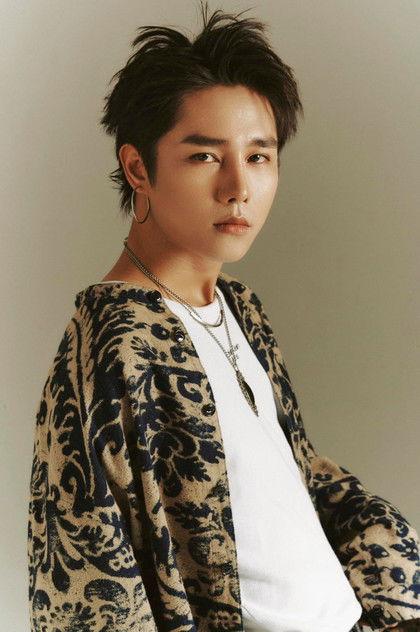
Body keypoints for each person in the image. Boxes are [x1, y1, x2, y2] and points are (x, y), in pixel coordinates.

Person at [27, 2, 420, 631]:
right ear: (138, 168)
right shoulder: (112, 346)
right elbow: (85, 586)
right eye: (205, 156)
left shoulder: (238, 308)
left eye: (259, 157)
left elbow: (294, 479)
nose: (238, 186)